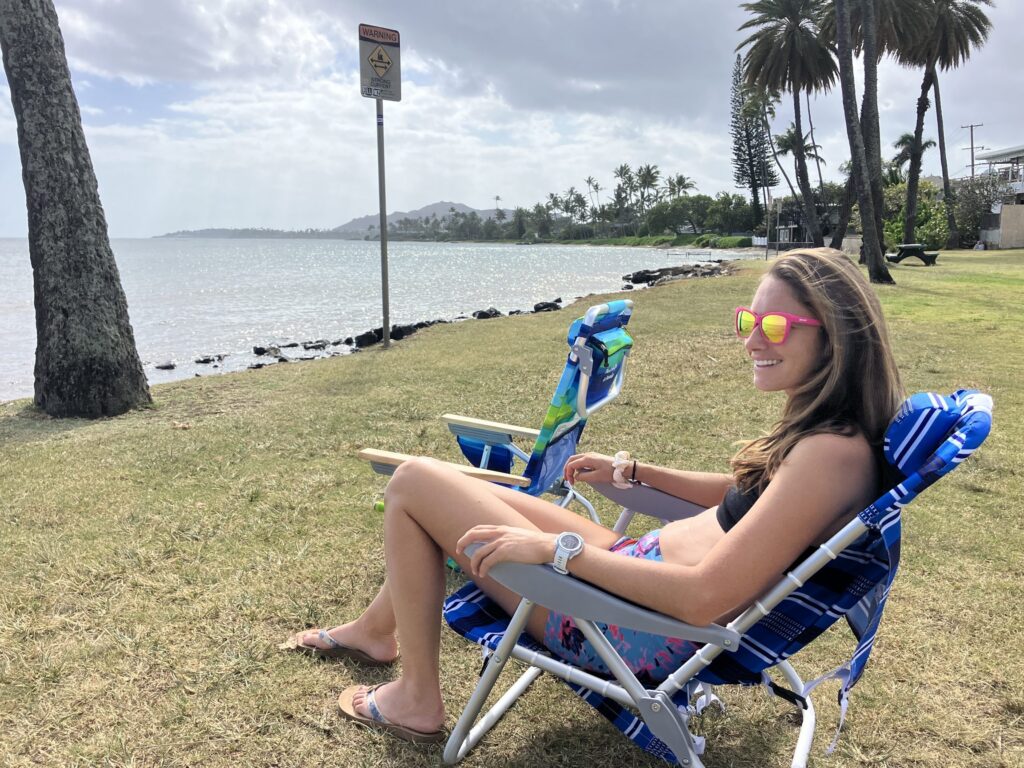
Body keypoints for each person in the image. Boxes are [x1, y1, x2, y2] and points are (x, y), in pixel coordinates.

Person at [282, 247, 904, 744]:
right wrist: (638, 471)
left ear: (836, 336)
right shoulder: (833, 437)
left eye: (775, 326)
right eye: (748, 320)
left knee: (415, 482)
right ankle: (375, 630)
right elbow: (749, 497)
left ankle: (417, 697)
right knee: (456, 490)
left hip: (627, 626)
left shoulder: (831, 456)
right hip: (636, 575)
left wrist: (559, 552)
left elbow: (702, 597)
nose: (751, 341)